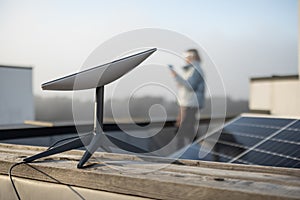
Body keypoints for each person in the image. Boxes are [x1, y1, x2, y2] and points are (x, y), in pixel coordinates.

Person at [169, 49, 205, 148]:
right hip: (185, 103)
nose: (185, 59)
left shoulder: (196, 69)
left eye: (187, 57)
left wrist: (176, 76)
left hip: (190, 104)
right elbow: (186, 84)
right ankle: (188, 151)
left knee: (184, 129)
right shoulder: (191, 68)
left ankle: (182, 153)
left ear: (192, 57)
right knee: (186, 129)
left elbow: (190, 85)